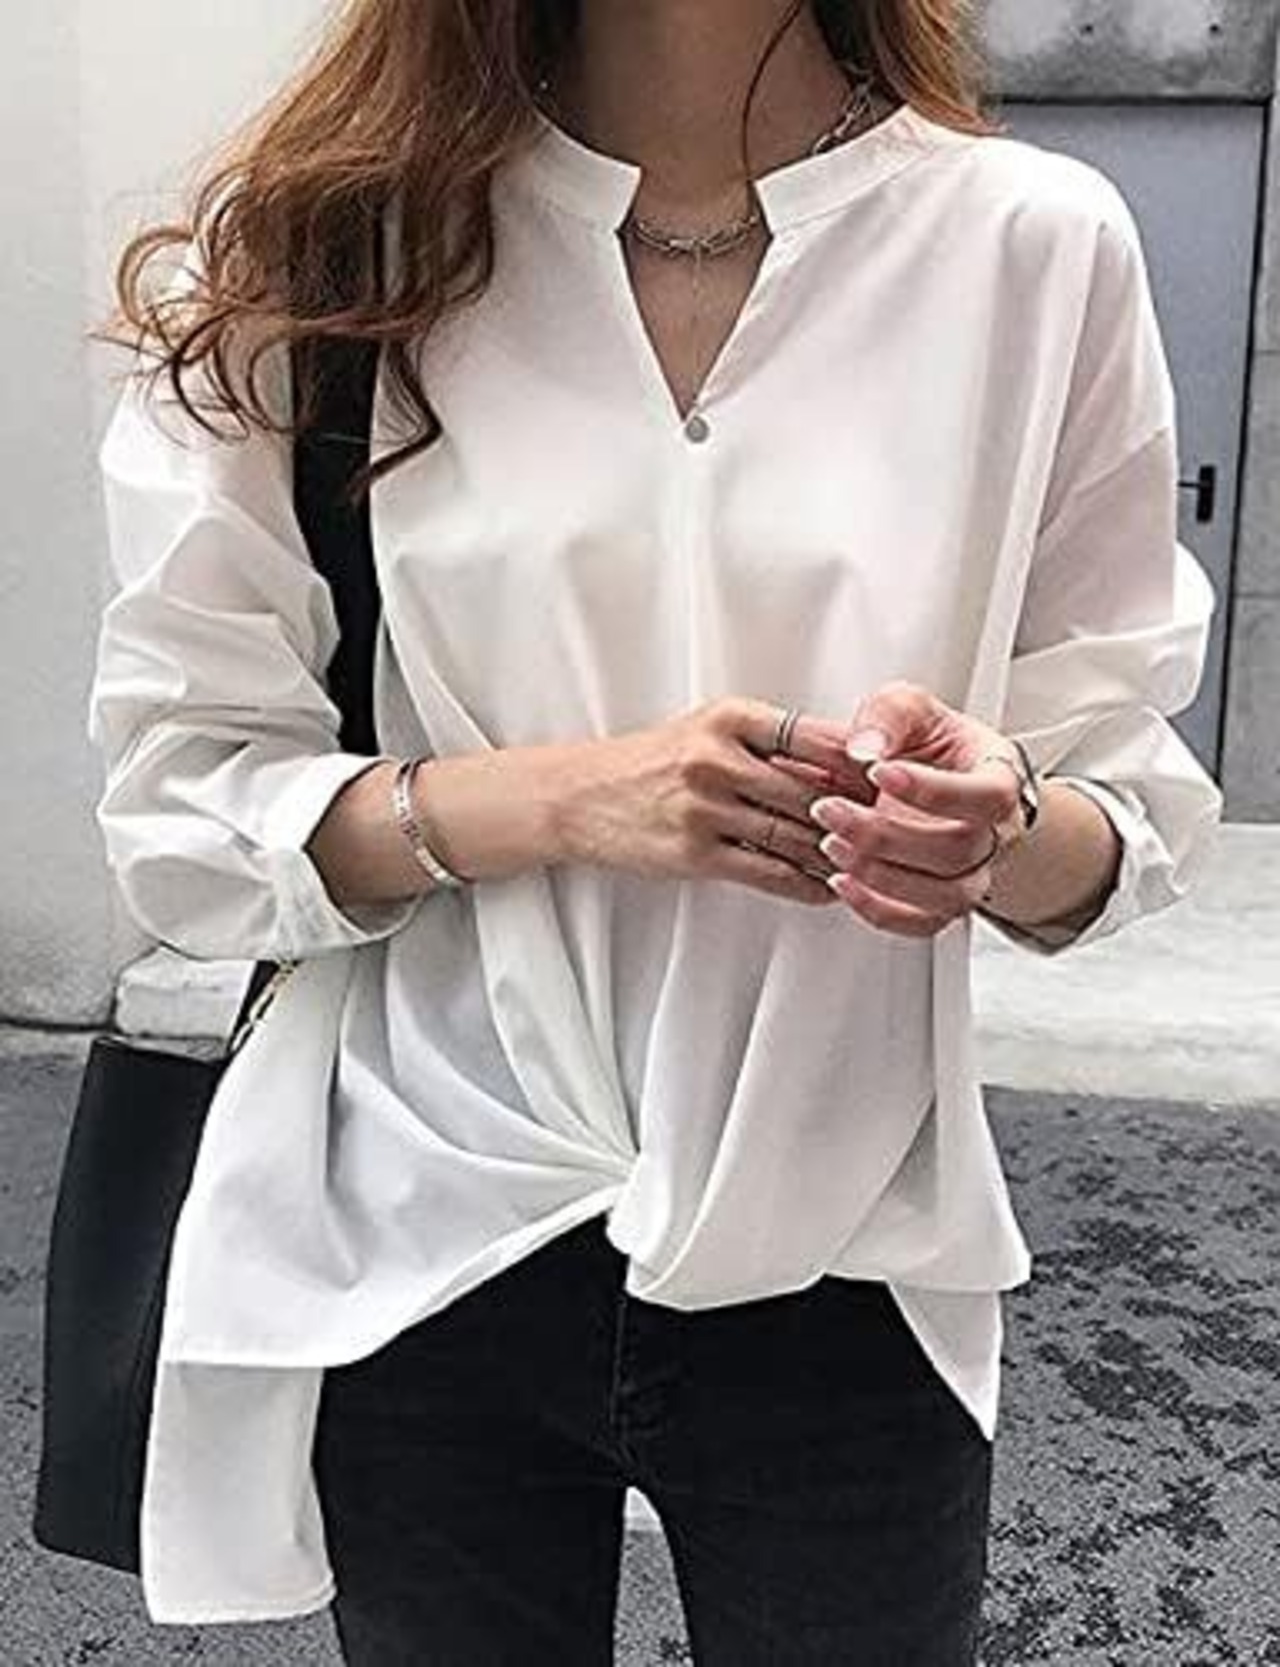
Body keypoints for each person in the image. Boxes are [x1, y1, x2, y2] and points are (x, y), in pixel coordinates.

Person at [85, 0, 1222, 1661]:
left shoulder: (1031, 248)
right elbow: (183, 804)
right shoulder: (329, 246)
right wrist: (570, 797)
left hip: (845, 1244)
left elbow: (1123, 793)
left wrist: (998, 826)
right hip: (427, 1222)